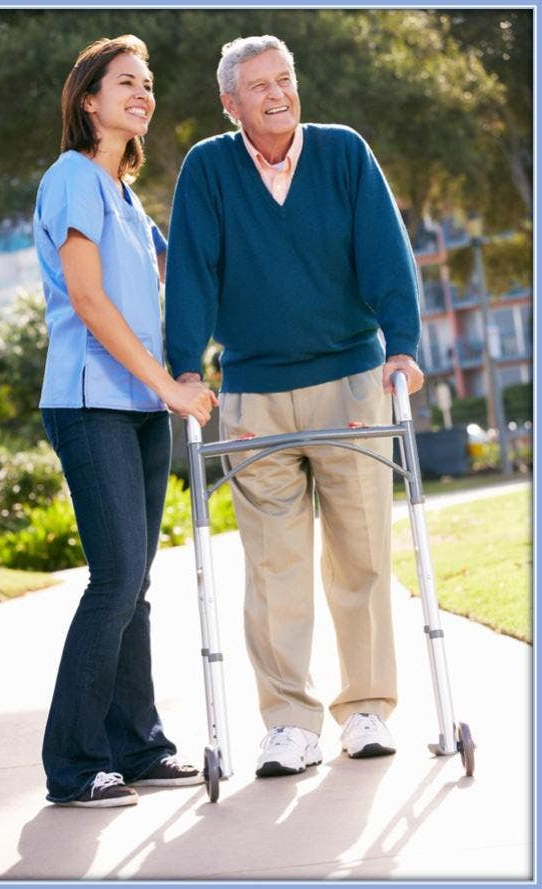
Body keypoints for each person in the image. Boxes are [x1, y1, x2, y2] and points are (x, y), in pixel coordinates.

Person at [165, 35, 424, 778]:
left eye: (285, 79)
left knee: (362, 551)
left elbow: (385, 252)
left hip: (351, 379)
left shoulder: (343, 153)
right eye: (258, 85)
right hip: (251, 388)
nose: (277, 93)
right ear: (229, 102)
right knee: (274, 564)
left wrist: (401, 345)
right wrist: (186, 367)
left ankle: (368, 708)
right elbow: (190, 271)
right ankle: (288, 724)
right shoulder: (209, 169)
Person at [33, 34, 217, 807]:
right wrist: (166, 388)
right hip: (89, 403)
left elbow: (180, 288)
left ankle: (137, 747)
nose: (142, 94)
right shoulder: (74, 177)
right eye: (124, 83)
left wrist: (181, 380)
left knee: (134, 581)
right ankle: (73, 764)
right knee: (114, 578)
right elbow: (88, 299)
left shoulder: (133, 202)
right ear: (89, 100)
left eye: (148, 84)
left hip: (138, 406)